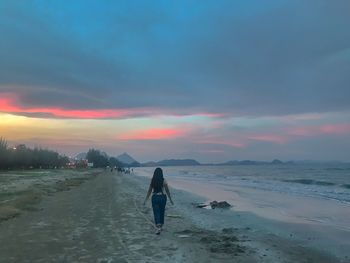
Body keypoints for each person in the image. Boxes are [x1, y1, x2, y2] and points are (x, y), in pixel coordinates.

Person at [143, 167, 174, 235]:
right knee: (162, 211)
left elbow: (149, 190)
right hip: (163, 197)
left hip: (155, 197)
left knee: (156, 212)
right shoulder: (164, 180)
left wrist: (146, 199)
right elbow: (167, 190)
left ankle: (158, 227)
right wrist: (170, 199)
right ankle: (161, 226)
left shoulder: (152, 180)